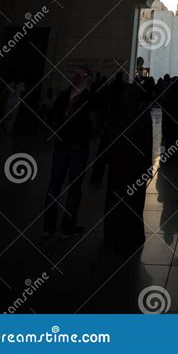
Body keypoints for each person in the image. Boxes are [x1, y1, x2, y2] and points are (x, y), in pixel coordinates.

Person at [43, 68, 96, 239]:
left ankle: (48, 227)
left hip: (61, 145)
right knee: (74, 188)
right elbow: (94, 124)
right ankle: (67, 227)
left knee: (54, 185)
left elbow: (55, 119)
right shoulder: (88, 98)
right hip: (79, 147)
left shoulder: (64, 96)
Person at [103, 81, 153, 256]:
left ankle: (112, 235)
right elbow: (148, 143)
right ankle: (133, 235)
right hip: (136, 167)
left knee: (116, 199)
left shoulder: (116, 116)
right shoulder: (143, 116)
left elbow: (108, 143)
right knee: (134, 201)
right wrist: (148, 167)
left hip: (118, 167)